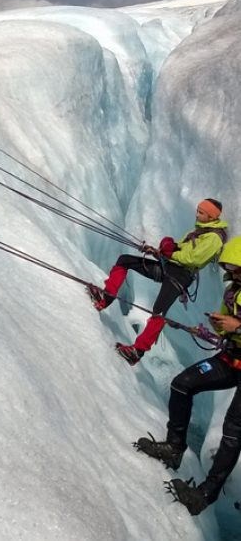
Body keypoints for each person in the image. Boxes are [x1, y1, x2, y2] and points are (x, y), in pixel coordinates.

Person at [134, 237, 241, 516]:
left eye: (236, 268)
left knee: (233, 430)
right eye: (230, 269)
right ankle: (174, 447)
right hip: (231, 359)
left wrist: (237, 327)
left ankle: (204, 495)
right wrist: (218, 326)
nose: (233, 273)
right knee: (182, 384)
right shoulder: (234, 292)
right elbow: (228, 328)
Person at [87, 199, 229, 365]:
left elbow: (194, 259)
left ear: (211, 216)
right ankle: (105, 298)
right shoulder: (201, 230)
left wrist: (170, 254)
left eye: (201, 212)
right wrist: (161, 251)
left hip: (181, 275)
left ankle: (137, 352)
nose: (197, 214)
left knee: (159, 311)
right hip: (170, 267)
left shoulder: (214, 238)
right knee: (124, 260)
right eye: (197, 210)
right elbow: (181, 248)